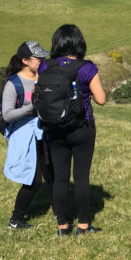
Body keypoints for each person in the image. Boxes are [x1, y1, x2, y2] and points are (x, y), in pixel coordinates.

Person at [40, 24, 106, 236]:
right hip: (82, 127)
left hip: (54, 127)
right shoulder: (87, 67)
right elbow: (101, 100)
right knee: (81, 177)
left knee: (60, 178)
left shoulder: (45, 66)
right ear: (79, 43)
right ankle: (84, 225)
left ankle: (62, 227)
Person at [1, 41, 52, 229]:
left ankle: (59, 213)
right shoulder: (13, 83)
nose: (41, 60)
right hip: (24, 136)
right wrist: (32, 106)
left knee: (52, 174)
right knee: (33, 179)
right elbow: (7, 114)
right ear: (25, 60)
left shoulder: (44, 78)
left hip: (45, 132)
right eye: (37, 57)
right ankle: (16, 219)